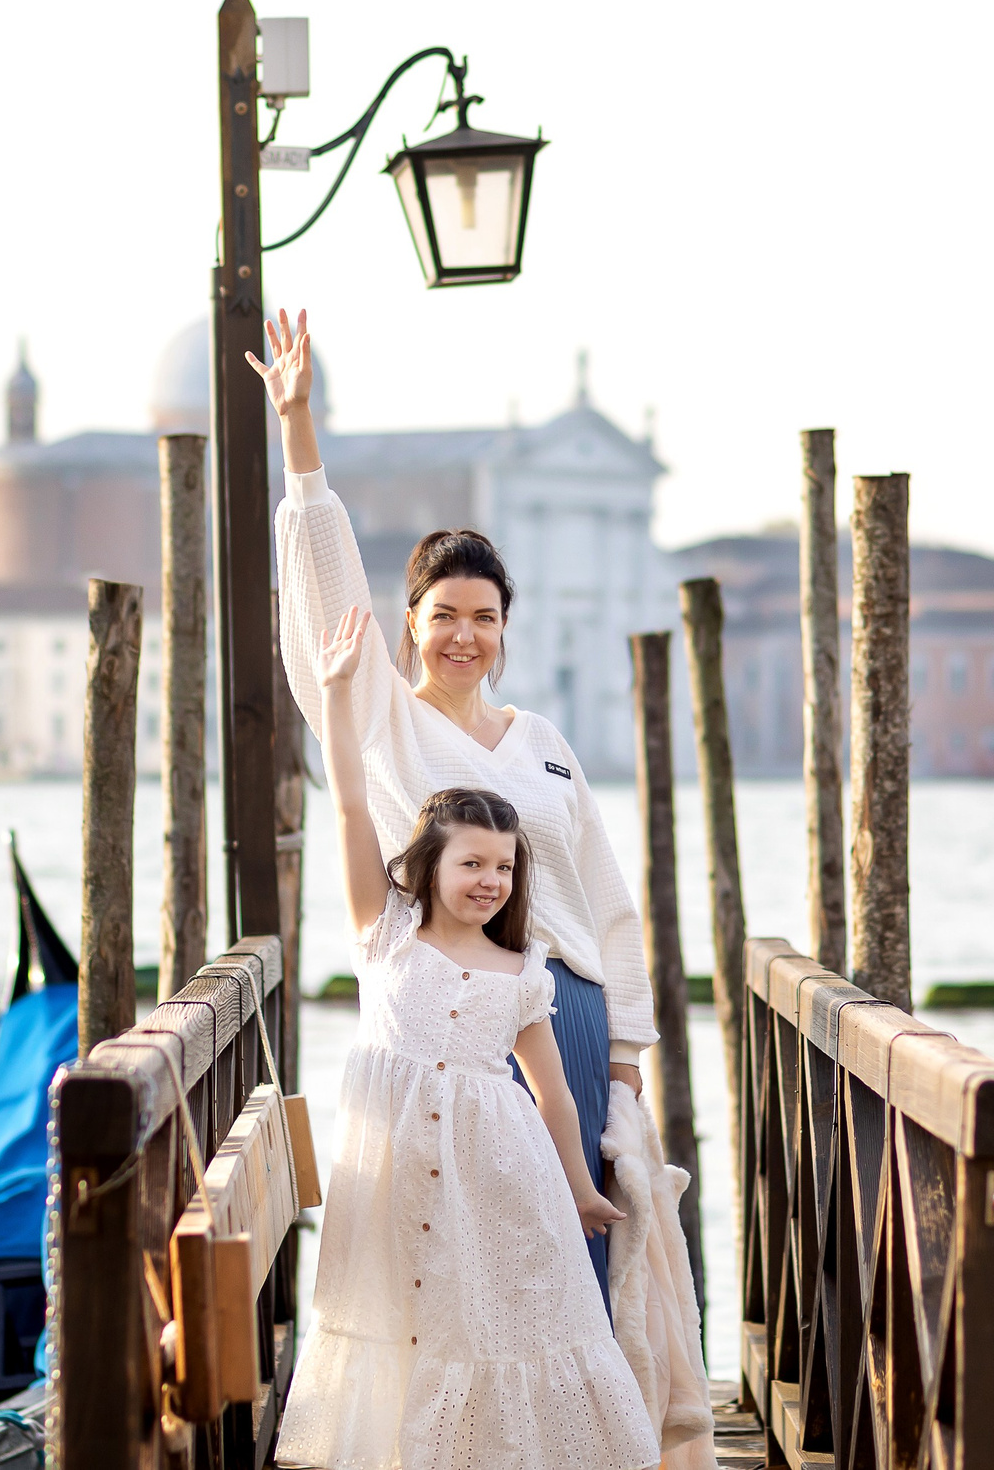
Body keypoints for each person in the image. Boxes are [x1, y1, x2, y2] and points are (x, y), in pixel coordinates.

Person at [251, 308, 656, 1307]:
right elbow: (319, 580)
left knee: (579, 1255)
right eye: (443, 618)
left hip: (569, 1017)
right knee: (469, 1271)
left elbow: (605, 895)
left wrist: (628, 1054)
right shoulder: (384, 720)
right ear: (411, 625)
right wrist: (299, 433)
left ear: (505, 628)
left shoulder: (546, 743)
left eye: (483, 618)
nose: (463, 636)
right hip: (457, 1024)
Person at [275, 610, 658, 1470]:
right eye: (471, 863)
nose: (489, 880)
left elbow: (553, 1091)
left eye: (504, 867)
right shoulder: (385, 930)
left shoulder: (524, 970)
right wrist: (339, 696)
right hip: (396, 1166)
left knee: (492, 1319)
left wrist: (579, 1187)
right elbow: (344, 803)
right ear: (430, 865)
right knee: (401, 1318)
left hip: (500, 1173)